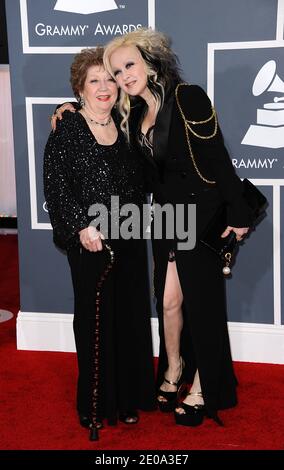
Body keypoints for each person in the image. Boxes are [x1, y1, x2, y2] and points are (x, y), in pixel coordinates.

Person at [53, 29, 252, 427]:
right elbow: (135, 174)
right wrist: (67, 106)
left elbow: (218, 159)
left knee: (202, 306)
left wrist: (239, 214)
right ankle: (173, 370)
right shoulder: (133, 114)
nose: (122, 76)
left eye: (129, 66)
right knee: (169, 304)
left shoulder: (187, 97)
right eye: (114, 71)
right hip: (165, 221)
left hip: (201, 218)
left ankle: (205, 386)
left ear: (152, 60)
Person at [44, 47, 156, 440]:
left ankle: (126, 399)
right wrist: (80, 227)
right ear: (80, 87)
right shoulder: (68, 129)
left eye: (110, 79)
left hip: (128, 236)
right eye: (95, 80)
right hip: (90, 243)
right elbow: (57, 189)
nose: (105, 87)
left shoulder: (127, 124)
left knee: (129, 318)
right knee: (95, 322)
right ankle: (94, 405)